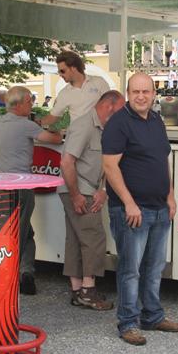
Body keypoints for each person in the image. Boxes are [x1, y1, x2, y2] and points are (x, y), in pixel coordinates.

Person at [102, 72, 178, 345]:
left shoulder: (157, 120)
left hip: (159, 208)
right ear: (127, 93)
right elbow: (110, 167)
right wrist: (128, 203)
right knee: (130, 269)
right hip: (132, 211)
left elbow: (163, 161)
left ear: (153, 94)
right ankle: (128, 323)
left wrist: (170, 196)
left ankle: (153, 316)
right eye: (135, 91)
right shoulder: (118, 123)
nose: (141, 96)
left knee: (155, 266)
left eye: (146, 92)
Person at [0, 85, 63, 295]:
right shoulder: (25, 125)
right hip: (22, 185)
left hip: (1, 185)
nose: (31, 104)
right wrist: (56, 127)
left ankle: (27, 273)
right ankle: (8, 277)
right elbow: (56, 139)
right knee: (19, 233)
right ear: (22, 103)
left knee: (21, 231)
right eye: (30, 101)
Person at [59, 90, 125, 310]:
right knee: (94, 238)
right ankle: (88, 291)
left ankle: (78, 290)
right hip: (78, 190)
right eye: (120, 111)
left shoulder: (102, 127)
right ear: (109, 107)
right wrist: (76, 195)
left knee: (77, 240)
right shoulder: (84, 125)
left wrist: (104, 188)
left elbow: (107, 162)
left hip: (86, 188)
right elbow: (67, 163)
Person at [39, 50, 110, 127]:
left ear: (73, 68)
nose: (60, 74)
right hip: (78, 135)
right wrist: (36, 123)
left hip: (100, 134)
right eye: (59, 72)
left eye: (62, 71)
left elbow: (111, 106)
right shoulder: (64, 93)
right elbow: (53, 116)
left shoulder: (99, 82)